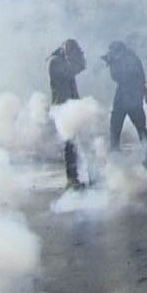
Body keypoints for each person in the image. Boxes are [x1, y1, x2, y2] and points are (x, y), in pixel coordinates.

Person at [102, 41, 147, 167]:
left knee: (118, 128)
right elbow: (141, 78)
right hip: (131, 97)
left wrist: (111, 63)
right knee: (137, 128)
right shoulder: (132, 58)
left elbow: (117, 77)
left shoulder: (127, 60)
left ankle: (117, 158)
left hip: (127, 97)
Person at [48, 38, 86, 189]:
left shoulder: (63, 60)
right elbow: (71, 71)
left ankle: (75, 177)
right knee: (69, 145)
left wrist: (77, 56)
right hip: (61, 107)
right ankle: (71, 179)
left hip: (69, 107)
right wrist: (74, 57)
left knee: (73, 144)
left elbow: (78, 68)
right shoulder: (55, 61)